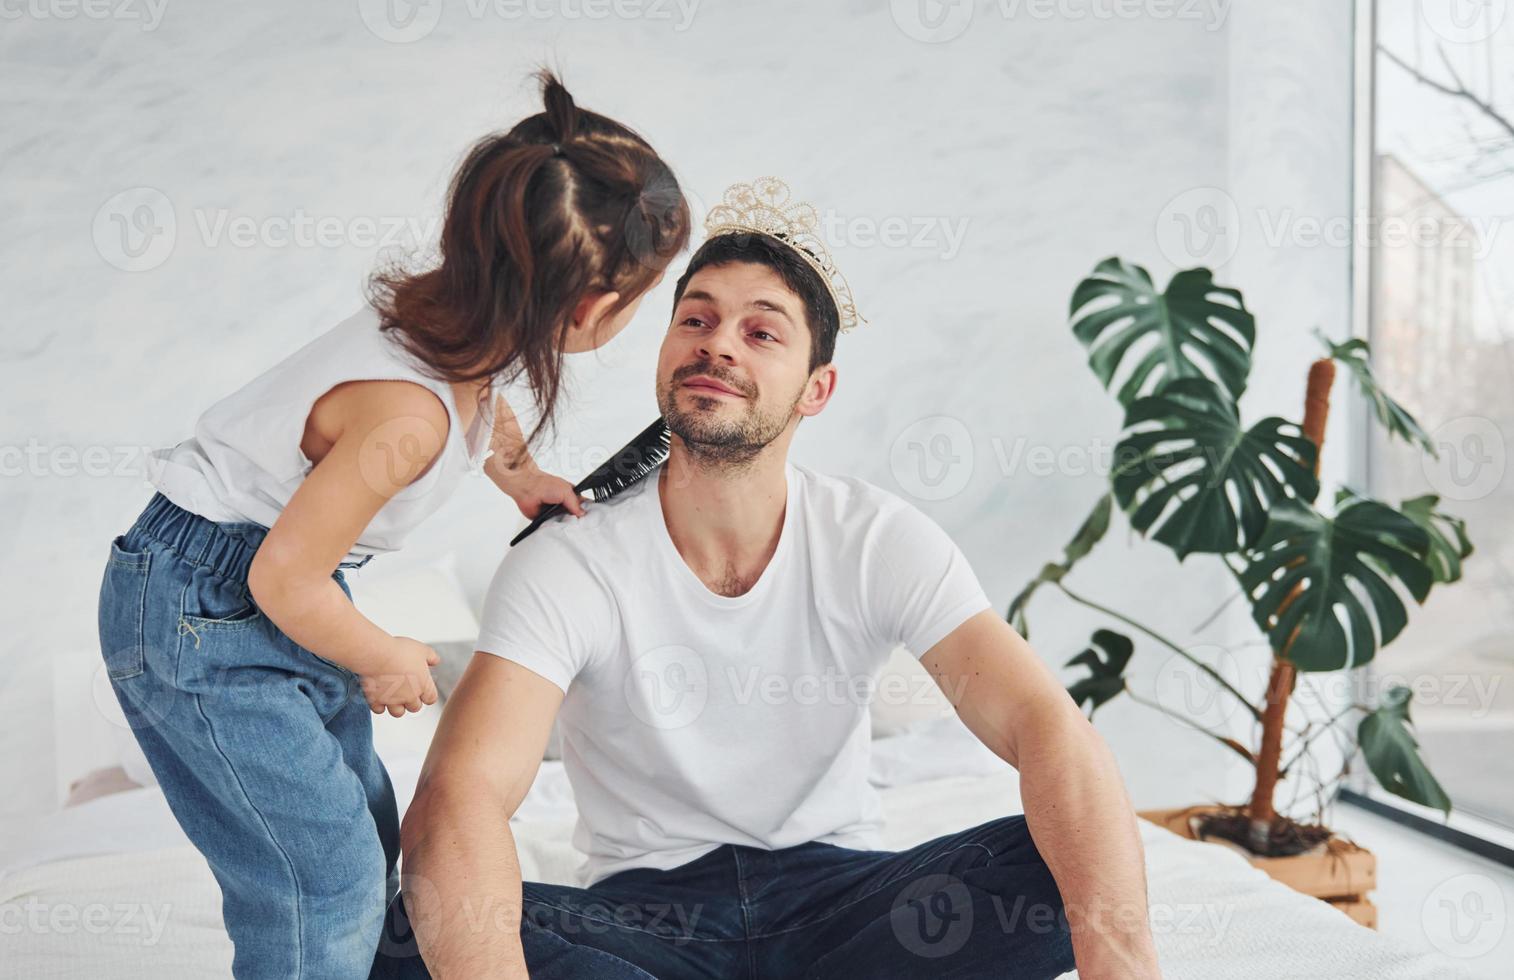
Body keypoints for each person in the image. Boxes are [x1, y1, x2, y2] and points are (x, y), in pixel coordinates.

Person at [379, 180, 1162, 979]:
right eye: (697, 319)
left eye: (762, 333)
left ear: (815, 389)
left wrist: (1120, 962)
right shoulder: (567, 559)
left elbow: (1047, 727)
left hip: (849, 911)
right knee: (403, 929)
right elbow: (461, 796)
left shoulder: (876, 538)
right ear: (666, 351)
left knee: (1064, 864)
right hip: (648, 924)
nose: (719, 344)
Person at [95, 70, 691, 979]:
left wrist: (521, 476)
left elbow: (481, 408)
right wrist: (379, 654)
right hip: (207, 611)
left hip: (256, 592)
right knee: (320, 881)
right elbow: (280, 582)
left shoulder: (453, 324)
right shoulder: (404, 422)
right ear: (591, 310)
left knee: (365, 835)